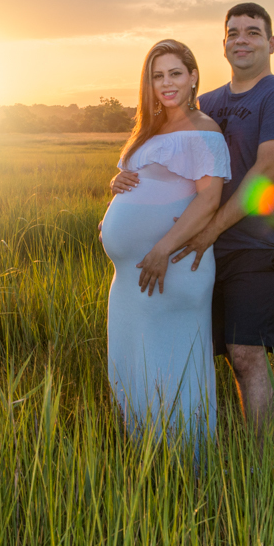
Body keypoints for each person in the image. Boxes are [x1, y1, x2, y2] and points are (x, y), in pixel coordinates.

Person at [111, 3, 274, 440]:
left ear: (271, 42)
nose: (242, 39)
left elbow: (267, 175)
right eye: (233, 32)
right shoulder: (211, 103)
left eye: (253, 32)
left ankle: (261, 471)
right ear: (222, 46)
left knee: (246, 355)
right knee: (203, 352)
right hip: (208, 251)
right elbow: (174, 158)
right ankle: (198, 441)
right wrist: (125, 175)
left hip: (264, 245)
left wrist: (208, 230)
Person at [99, 39, 231, 447]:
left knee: (170, 364)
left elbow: (209, 198)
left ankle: (187, 463)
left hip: (170, 268)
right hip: (130, 277)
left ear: (193, 77)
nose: (166, 83)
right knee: (132, 361)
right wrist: (115, 184)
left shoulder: (204, 130)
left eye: (175, 73)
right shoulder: (151, 128)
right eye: (158, 76)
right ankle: (145, 454)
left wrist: (161, 250)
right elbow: (144, 183)